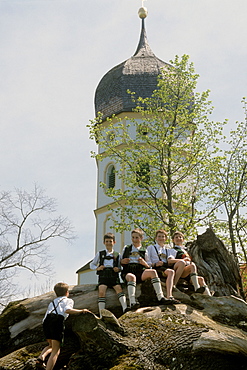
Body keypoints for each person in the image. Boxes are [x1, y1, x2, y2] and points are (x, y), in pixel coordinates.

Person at [36, 282, 89, 370]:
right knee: (56, 351)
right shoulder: (68, 300)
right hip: (57, 322)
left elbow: (45, 317)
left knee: (51, 345)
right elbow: (67, 310)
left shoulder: (52, 302)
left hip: (46, 323)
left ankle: (41, 357)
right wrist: (81, 311)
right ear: (67, 292)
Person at [121, 228, 174, 309]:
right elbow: (120, 261)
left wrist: (143, 263)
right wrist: (123, 261)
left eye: (137, 237)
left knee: (152, 272)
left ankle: (160, 297)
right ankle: (132, 302)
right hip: (129, 271)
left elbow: (149, 265)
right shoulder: (126, 248)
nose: (134, 240)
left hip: (140, 271)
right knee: (132, 277)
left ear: (141, 238)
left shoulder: (144, 250)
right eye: (133, 237)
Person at [90, 232, 127, 317]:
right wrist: (98, 268)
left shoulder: (118, 255)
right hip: (103, 276)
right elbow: (92, 264)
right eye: (107, 241)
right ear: (104, 243)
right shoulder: (100, 253)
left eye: (110, 241)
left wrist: (118, 269)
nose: (108, 243)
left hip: (114, 276)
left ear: (114, 242)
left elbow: (120, 266)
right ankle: (101, 313)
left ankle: (125, 309)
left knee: (119, 289)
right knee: (102, 292)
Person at [168, 231, 211, 296]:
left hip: (187, 272)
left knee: (200, 278)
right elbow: (170, 261)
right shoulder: (173, 250)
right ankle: (174, 285)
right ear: (173, 240)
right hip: (178, 269)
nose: (178, 238)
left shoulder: (186, 250)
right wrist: (183, 260)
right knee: (182, 263)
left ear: (183, 239)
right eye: (176, 237)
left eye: (180, 237)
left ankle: (207, 295)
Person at [145, 229, 180, 304]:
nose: (161, 238)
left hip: (165, 267)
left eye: (163, 236)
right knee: (171, 272)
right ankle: (169, 295)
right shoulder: (151, 248)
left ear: (165, 239)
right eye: (159, 236)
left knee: (171, 271)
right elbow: (147, 261)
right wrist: (155, 264)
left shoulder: (168, 250)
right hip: (156, 268)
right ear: (156, 238)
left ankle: (170, 293)